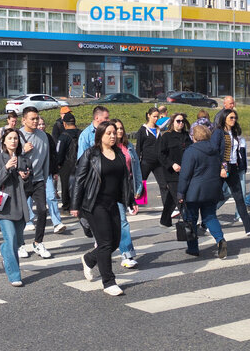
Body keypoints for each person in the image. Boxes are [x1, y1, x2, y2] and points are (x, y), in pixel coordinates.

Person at [71, 121, 138, 296]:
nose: (113, 136)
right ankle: (108, 282)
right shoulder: (91, 154)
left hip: (113, 202)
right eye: (109, 133)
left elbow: (125, 180)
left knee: (115, 242)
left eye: (114, 133)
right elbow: (79, 179)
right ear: (100, 135)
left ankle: (89, 259)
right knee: (105, 242)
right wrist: (75, 205)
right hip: (94, 203)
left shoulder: (119, 154)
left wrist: (130, 200)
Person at [0, 128, 32, 286]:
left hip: (20, 206)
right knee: (11, 238)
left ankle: (4, 251)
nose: (13, 141)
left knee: (17, 242)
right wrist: (6, 168)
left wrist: (26, 178)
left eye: (16, 138)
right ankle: (15, 276)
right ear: (4, 141)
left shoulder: (24, 159)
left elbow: (29, 184)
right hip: (4, 206)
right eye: (10, 138)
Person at [177, 123, 228, 259]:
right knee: (210, 217)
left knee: (191, 219)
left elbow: (185, 174)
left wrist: (180, 192)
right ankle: (220, 239)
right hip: (212, 190)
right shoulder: (214, 150)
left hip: (194, 192)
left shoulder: (191, 151)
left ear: (194, 137)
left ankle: (193, 248)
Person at [213, 110, 250, 236]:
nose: (233, 119)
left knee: (239, 198)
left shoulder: (233, 132)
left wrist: (236, 163)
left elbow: (234, 151)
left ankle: (249, 227)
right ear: (224, 118)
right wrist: (222, 167)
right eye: (231, 117)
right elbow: (214, 151)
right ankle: (205, 222)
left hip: (232, 168)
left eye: (235, 117)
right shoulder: (218, 132)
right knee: (213, 197)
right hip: (220, 169)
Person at [17, 107, 55, 257]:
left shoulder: (43, 136)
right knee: (20, 213)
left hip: (39, 180)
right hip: (22, 180)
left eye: (37, 118)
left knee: (42, 210)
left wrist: (45, 178)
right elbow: (8, 157)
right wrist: (23, 151)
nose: (35, 121)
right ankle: (19, 243)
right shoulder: (18, 136)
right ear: (24, 120)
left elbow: (46, 158)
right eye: (32, 118)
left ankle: (38, 243)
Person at [137, 107, 176, 226]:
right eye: (154, 116)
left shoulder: (159, 130)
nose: (156, 119)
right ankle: (134, 204)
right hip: (146, 161)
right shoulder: (143, 130)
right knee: (140, 183)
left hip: (159, 162)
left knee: (164, 185)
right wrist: (137, 162)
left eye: (157, 116)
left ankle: (167, 209)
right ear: (148, 115)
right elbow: (138, 147)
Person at [113, 120, 144, 268]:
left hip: (126, 187)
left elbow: (136, 168)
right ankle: (126, 254)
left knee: (120, 221)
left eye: (121, 128)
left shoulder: (128, 146)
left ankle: (124, 253)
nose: (119, 131)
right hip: (112, 189)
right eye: (116, 129)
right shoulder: (107, 148)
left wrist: (138, 189)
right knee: (120, 222)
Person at [34, 116, 66, 234]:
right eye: (39, 124)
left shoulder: (48, 137)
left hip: (46, 172)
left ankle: (57, 222)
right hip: (32, 174)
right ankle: (28, 220)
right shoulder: (29, 137)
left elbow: (53, 155)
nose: (41, 126)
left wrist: (55, 171)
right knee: (27, 199)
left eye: (43, 124)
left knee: (51, 196)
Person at [159, 113, 192, 223]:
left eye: (182, 121)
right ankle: (189, 224)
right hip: (172, 174)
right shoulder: (166, 137)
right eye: (178, 121)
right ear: (173, 122)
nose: (181, 123)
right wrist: (172, 164)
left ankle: (165, 220)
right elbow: (161, 154)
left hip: (185, 172)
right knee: (180, 200)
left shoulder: (186, 136)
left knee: (171, 199)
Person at [55, 112, 81, 212]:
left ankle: (67, 207)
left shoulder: (63, 136)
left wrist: (58, 164)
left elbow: (59, 152)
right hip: (80, 163)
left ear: (64, 124)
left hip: (66, 165)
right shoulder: (81, 133)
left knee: (65, 186)